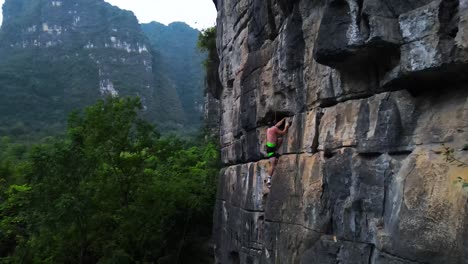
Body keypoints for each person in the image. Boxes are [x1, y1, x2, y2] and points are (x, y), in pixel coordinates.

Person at [265, 117, 290, 188]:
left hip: (270, 147)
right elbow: (283, 132)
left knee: (280, 140)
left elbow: (277, 125)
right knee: (273, 165)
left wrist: (283, 119)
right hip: (271, 149)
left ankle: (276, 153)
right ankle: (268, 180)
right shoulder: (274, 129)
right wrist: (286, 126)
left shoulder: (269, 129)